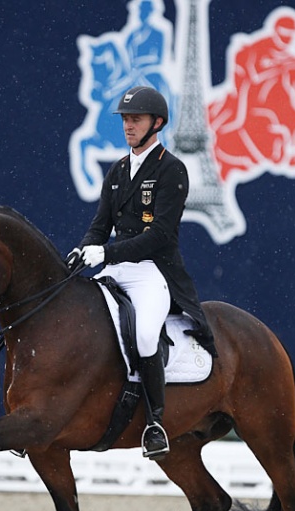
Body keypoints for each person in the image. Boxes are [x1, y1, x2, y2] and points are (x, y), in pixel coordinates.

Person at [68, 85, 217, 460]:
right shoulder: (118, 170)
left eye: (135, 119)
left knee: (147, 336)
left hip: (153, 272)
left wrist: (106, 251)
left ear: (157, 123)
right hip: (116, 270)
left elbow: (161, 236)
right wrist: (85, 248)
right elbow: (100, 224)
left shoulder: (172, 169)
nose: (128, 126)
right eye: (125, 120)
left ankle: (155, 423)